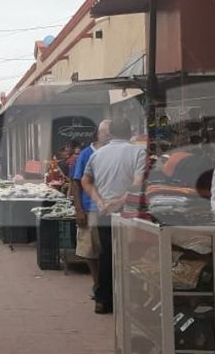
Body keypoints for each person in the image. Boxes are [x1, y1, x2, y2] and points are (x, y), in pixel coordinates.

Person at [81, 118, 146, 315]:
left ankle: (103, 300)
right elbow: (138, 182)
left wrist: (99, 201)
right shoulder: (138, 152)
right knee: (133, 256)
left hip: (104, 212)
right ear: (129, 133)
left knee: (107, 255)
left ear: (111, 134)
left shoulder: (98, 154)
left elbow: (85, 180)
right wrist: (120, 201)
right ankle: (132, 302)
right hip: (129, 213)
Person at [70, 120, 110, 301]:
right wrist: (79, 209)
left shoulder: (114, 153)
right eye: (105, 133)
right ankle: (97, 283)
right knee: (90, 250)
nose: (108, 137)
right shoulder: (86, 154)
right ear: (98, 134)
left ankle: (106, 285)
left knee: (107, 250)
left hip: (112, 209)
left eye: (111, 133)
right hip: (90, 208)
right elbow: (76, 182)